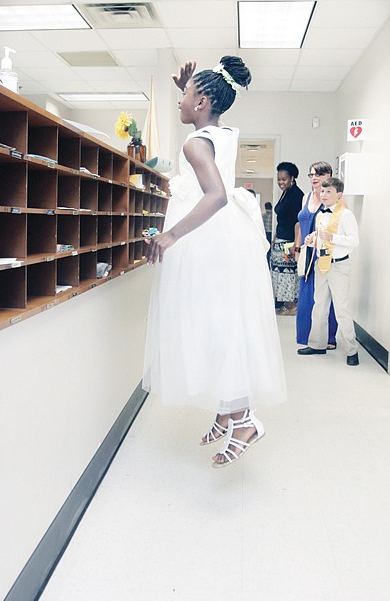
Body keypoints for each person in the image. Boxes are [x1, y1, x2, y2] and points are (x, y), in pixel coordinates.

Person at [143, 57, 286, 468]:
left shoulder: (194, 143)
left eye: (186, 97)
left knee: (210, 325)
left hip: (206, 242)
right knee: (221, 320)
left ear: (202, 101)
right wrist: (189, 87)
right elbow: (204, 126)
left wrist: (169, 236)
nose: (180, 102)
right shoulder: (221, 133)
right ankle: (227, 410)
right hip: (226, 243)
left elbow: (216, 194)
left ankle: (244, 419)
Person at [297, 178, 359, 365]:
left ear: (339, 195)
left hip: (339, 265)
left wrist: (333, 237)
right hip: (321, 263)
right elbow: (321, 238)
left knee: (341, 308)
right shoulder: (320, 215)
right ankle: (317, 344)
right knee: (319, 305)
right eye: (322, 192)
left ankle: (351, 351)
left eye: (328, 192)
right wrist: (312, 239)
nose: (323, 195)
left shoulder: (346, 215)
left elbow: (354, 241)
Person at [295, 161, 338, 349]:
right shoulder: (306, 197)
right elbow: (300, 223)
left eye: (318, 175)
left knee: (325, 296)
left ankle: (329, 338)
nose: (314, 178)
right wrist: (297, 247)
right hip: (306, 252)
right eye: (311, 175)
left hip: (324, 252)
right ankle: (306, 336)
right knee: (306, 296)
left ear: (328, 176)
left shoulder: (333, 200)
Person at [270, 162, 304, 315]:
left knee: (288, 274)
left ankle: (291, 306)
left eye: (284, 179)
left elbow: (298, 222)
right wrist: (275, 238)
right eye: (279, 179)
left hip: (289, 241)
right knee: (280, 273)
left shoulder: (297, 195)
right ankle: (286, 304)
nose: (281, 182)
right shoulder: (286, 193)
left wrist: (296, 245)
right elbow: (282, 219)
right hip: (281, 239)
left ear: (292, 178)